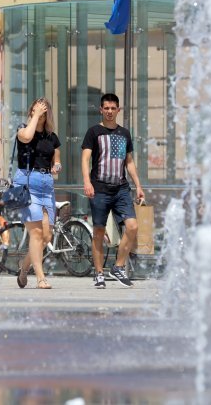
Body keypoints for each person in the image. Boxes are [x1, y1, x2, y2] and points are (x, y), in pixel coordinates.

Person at [81, 93, 145, 289]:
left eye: (113, 108)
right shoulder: (94, 132)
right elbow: (85, 159)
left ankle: (118, 267)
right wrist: (87, 182)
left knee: (132, 226)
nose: (109, 111)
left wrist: (139, 186)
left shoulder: (124, 133)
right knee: (99, 232)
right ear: (101, 110)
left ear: (118, 110)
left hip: (121, 189)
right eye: (106, 108)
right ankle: (99, 273)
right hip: (99, 188)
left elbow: (130, 162)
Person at [14, 98, 62, 290]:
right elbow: (26, 137)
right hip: (27, 183)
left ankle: (24, 269)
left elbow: (56, 160)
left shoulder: (52, 137)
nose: (41, 111)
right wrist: (34, 117)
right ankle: (41, 277)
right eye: (37, 108)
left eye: (44, 109)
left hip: (46, 185)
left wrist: (57, 166)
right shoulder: (23, 130)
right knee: (35, 232)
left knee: (47, 236)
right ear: (32, 111)